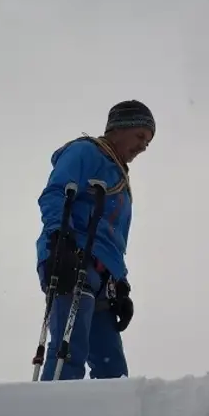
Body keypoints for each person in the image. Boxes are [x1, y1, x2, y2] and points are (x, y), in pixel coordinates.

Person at [34, 100, 153, 381]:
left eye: (147, 141)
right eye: (140, 136)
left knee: (112, 369)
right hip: (74, 257)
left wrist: (121, 283)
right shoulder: (85, 152)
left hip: (105, 277)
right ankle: (49, 415)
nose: (143, 146)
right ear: (119, 128)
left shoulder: (120, 179)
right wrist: (58, 240)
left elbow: (114, 239)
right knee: (69, 349)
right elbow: (55, 194)